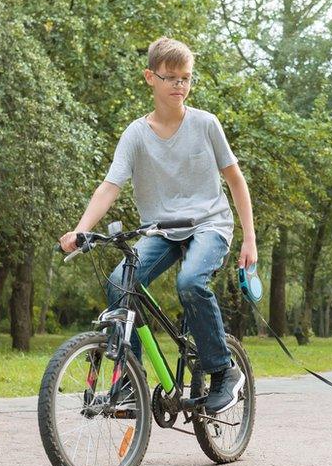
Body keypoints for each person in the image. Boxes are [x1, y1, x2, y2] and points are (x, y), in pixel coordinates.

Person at [59, 36, 257, 414]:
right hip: (160, 230)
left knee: (190, 282)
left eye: (186, 78)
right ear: (150, 77)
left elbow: (235, 180)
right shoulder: (136, 134)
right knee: (119, 282)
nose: (179, 86)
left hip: (209, 224)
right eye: (171, 78)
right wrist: (80, 229)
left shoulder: (206, 124)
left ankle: (222, 371)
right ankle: (132, 383)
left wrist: (249, 239)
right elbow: (110, 186)